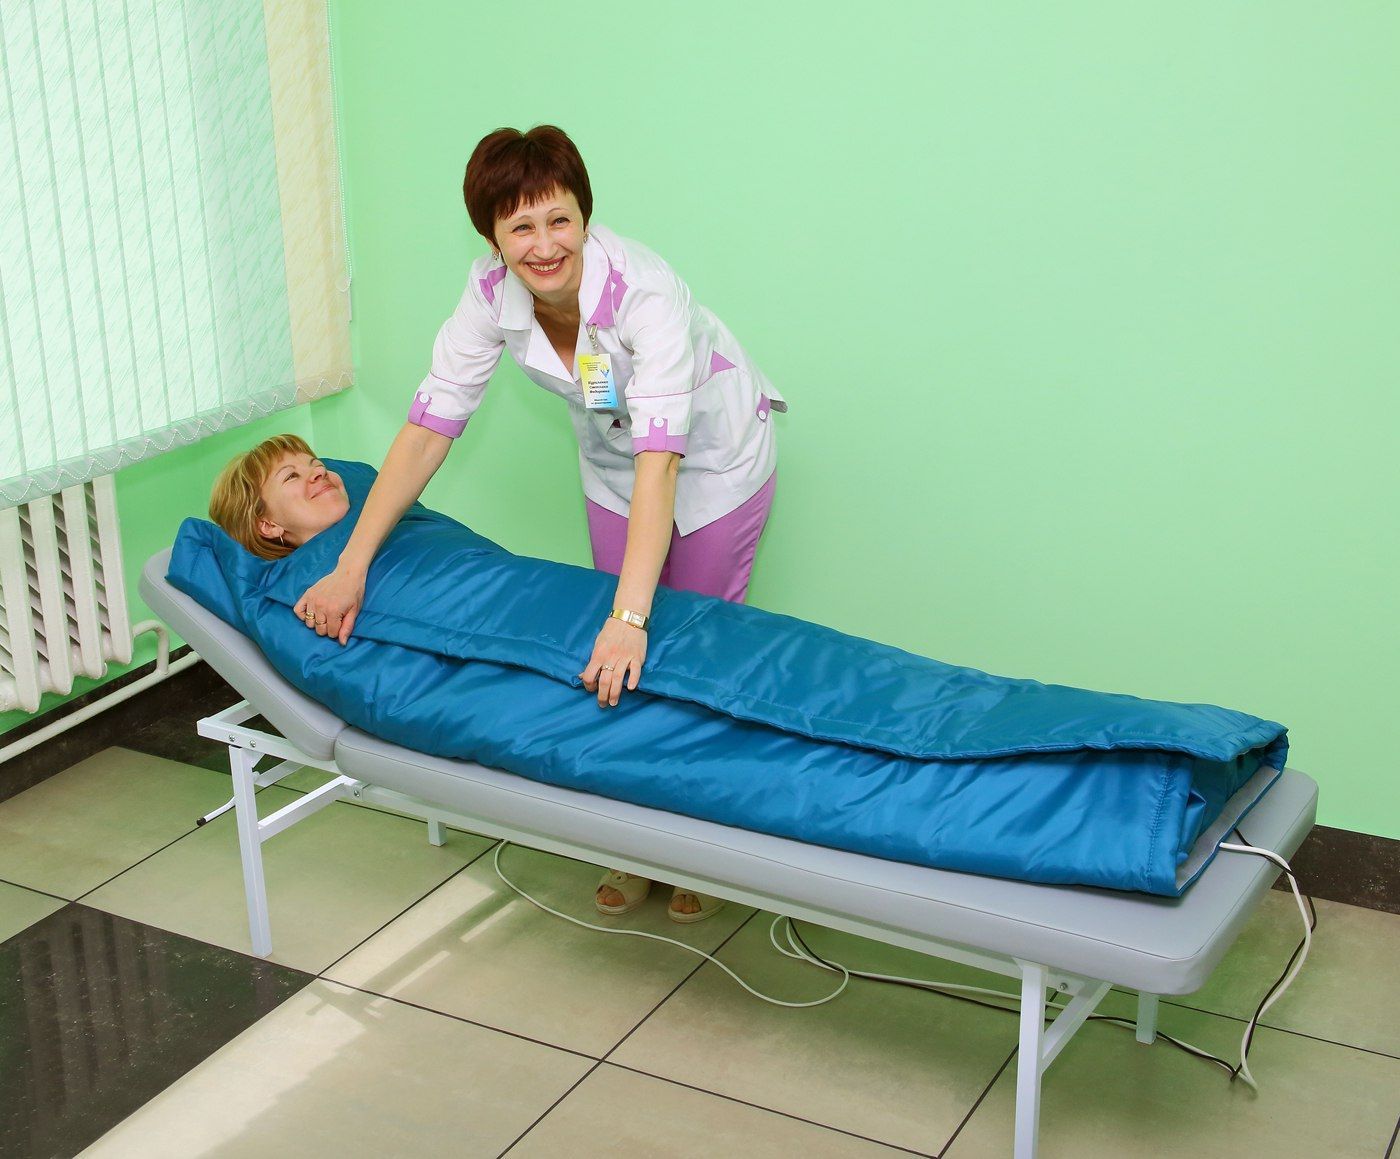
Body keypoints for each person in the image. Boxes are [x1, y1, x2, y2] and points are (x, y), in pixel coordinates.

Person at [278, 125, 785, 923]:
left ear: (585, 215)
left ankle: (702, 844)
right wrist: (351, 565)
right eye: (521, 226)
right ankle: (635, 840)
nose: (544, 245)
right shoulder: (489, 294)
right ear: (493, 237)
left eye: (559, 219)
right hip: (616, 462)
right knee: (613, 654)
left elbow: (664, 463)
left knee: (693, 639)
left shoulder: (645, 292)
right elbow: (427, 429)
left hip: (715, 461)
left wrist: (631, 617)